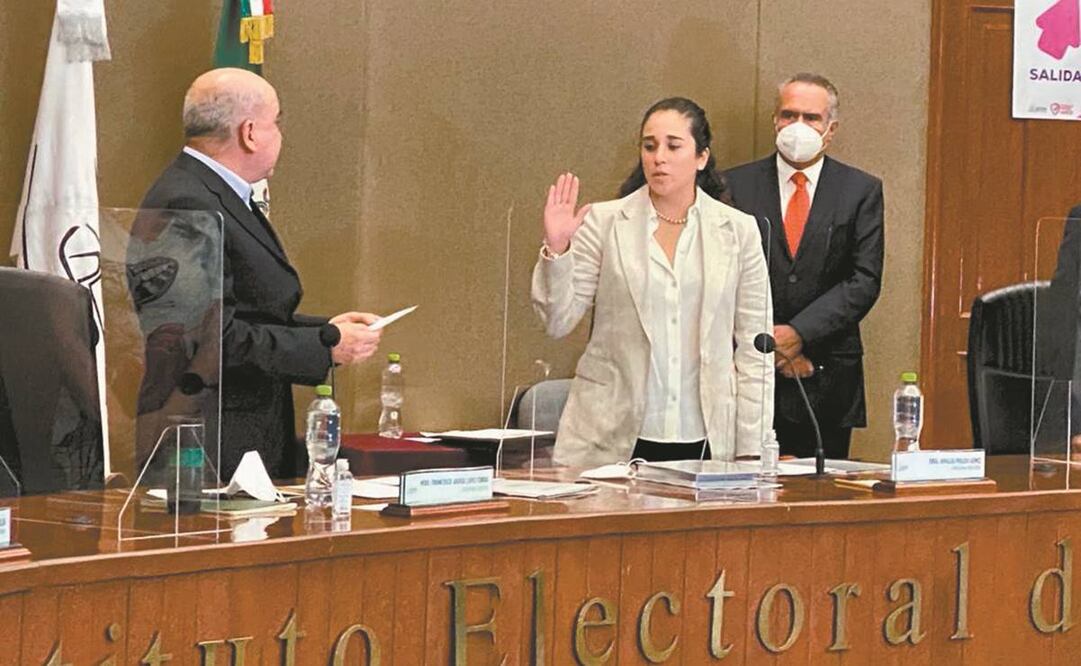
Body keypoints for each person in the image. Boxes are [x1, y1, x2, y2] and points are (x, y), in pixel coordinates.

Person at [136, 68, 382, 479]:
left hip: (241, 436)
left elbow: (245, 312)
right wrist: (323, 348)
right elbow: (209, 339)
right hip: (210, 446)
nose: (280, 136)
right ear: (250, 132)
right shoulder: (188, 201)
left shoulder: (213, 192)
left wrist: (325, 331)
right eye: (277, 123)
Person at [531, 97, 773, 468]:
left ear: (701, 157)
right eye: (649, 146)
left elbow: (756, 350)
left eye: (673, 146)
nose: (659, 157)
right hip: (611, 434)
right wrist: (558, 248)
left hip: (708, 437)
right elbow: (557, 321)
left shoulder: (738, 231)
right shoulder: (605, 221)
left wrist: (751, 449)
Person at [725, 73, 884, 459]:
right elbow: (719, 275)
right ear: (774, 121)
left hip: (826, 376)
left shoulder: (860, 190)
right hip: (746, 373)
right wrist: (765, 340)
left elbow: (863, 280)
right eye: (788, 114)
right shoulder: (733, 186)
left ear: (831, 129)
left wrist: (799, 334)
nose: (798, 126)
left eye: (811, 118)